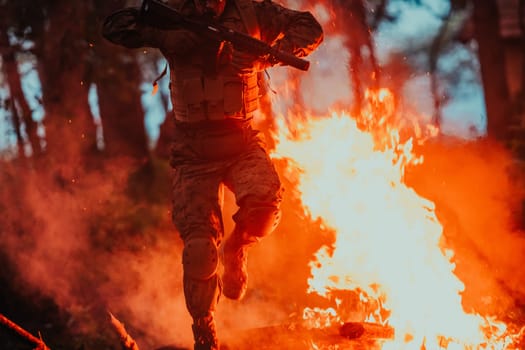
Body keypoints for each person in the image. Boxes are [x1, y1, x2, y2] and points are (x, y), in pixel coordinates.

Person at [102, 0, 323, 348]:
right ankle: (205, 330)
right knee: (200, 251)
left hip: (241, 142)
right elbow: (115, 26)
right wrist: (165, 33)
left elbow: (310, 28)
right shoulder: (170, 12)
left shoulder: (253, 12)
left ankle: (236, 248)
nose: (206, 4)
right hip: (193, 153)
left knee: (264, 210)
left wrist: (267, 56)